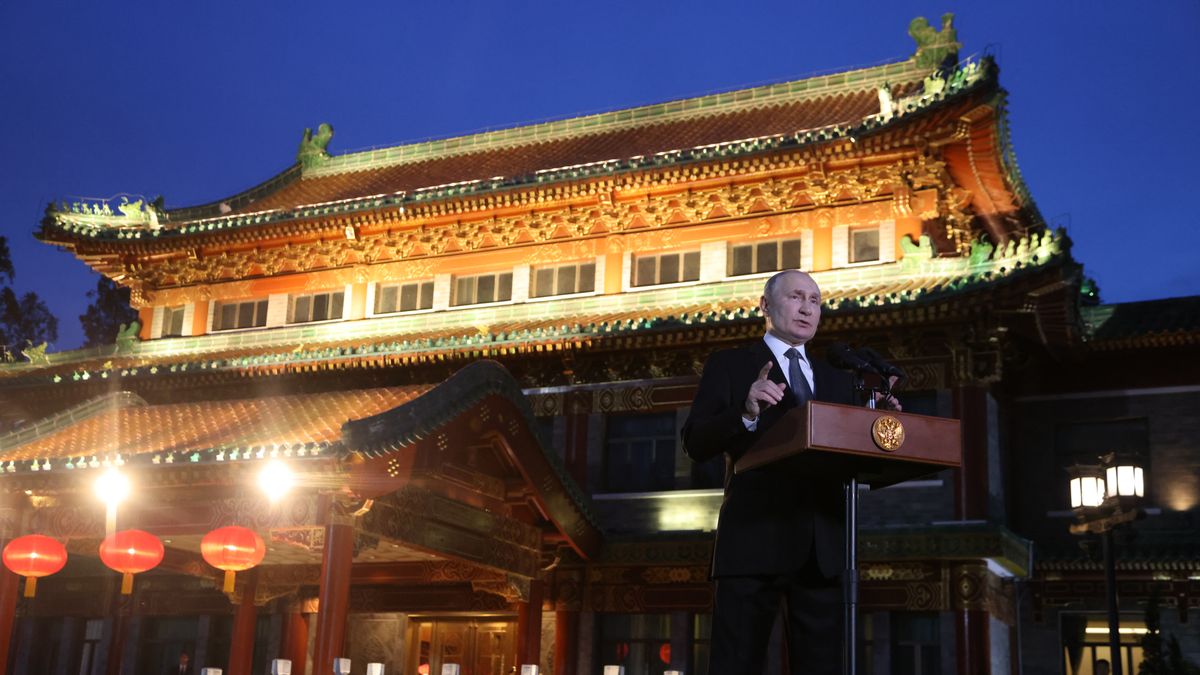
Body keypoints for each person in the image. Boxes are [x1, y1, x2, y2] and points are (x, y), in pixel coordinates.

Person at [682, 269, 892, 674]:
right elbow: (695, 442)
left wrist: (877, 426)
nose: (807, 308)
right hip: (752, 541)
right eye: (797, 297)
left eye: (815, 301)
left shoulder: (837, 380)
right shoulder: (731, 365)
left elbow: (852, 453)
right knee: (736, 664)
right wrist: (743, 412)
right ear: (765, 306)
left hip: (822, 548)